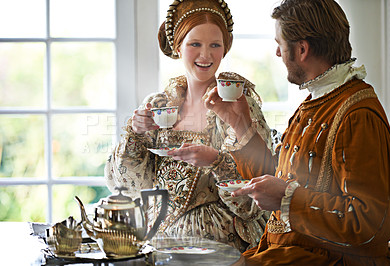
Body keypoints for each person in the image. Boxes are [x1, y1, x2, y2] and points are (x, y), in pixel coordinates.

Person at [204, 0, 390, 264]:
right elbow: (281, 180)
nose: (277, 52)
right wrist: (239, 124)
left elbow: (372, 223)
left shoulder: (357, 114)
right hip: (287, 252)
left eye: (280, 44)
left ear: (302, 49)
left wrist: (288, 198)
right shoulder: (317, 100)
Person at [104, 0, 272, 252]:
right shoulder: (158, 105)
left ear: (225, 49)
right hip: (158, 247)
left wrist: (217, 162)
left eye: (215, 45)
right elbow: (129, 188)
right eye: (195, 44)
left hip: (220, 251)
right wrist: (136, 134)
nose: (206, 55)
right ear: (178, 46)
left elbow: (255, 201)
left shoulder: (238, 103)